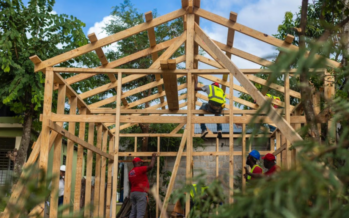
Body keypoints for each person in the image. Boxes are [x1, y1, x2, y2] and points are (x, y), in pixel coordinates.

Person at [128, 153, 156, 218]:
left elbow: (130, 183)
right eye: (141, 163)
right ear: (138, 163)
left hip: (133, 193)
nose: (141, 164)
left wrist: (130, 193)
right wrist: (153, 157)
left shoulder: (130, 172)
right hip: (140, 193)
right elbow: (151, 166)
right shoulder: (140, 169)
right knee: (140, 214)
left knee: (133, 212)